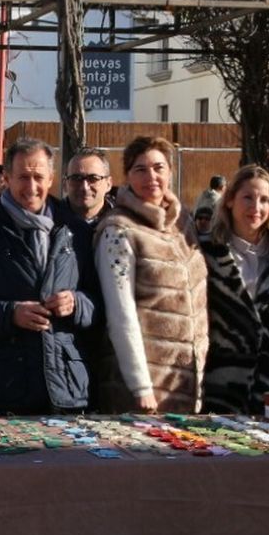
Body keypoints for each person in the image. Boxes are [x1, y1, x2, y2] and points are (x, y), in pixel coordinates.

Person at [0, 139, 95, 414]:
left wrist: (76, 303)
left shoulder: (75, 231)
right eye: (23, 177)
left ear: (51, 178)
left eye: (38, 177)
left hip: (67, 388)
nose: (31, 187)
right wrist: (9, 314)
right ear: (7, 178)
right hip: (4, 388)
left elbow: (100, 303)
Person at [94, 135, 208, 413]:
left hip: (187, 382)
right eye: (140, 169)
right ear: (127, 176)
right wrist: (141, 387)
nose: (151, 177)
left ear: (170, 171)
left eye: (158, 168)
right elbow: (120, 313)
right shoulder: (118, 230)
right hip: (144, 389)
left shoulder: (183, 224)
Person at [200, 165, 269, 415]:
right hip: (221, 379)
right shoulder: (206, 251)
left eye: (264, 200)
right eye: (247, 197)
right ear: (229, 200)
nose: (256, 207)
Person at [62, 149, 114, 228]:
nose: (84, 187)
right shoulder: (49, 224)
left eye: (93, 178)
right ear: (65, 184)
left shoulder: (126, 224)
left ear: (108, 184)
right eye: (76, 178)